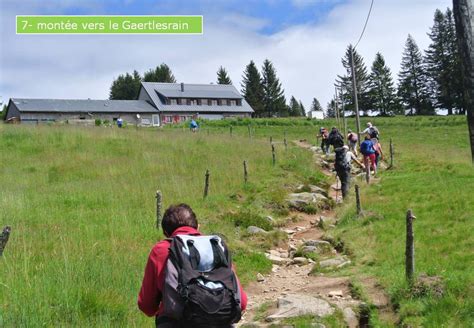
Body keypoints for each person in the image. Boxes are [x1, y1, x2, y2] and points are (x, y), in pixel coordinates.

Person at [138, 204, 247, 327]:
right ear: (197, 226)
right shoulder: (216, 247)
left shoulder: (161, 250)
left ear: (165, 232)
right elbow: (242, 303)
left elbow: (147, 306)